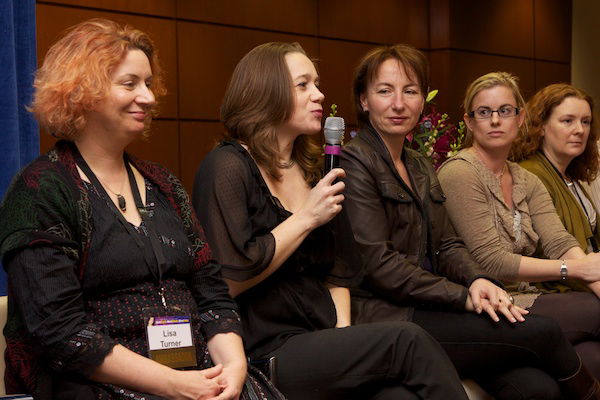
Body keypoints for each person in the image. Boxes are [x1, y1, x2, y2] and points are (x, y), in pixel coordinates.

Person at [0, 19, 284, 400]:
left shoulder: (163, 184)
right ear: (83, 91)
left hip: (199, 377)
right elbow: (61, 332)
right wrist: (174, 385)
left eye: (149, 84)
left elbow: (212, 293)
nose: (149, 98)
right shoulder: (41, 190)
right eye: (130, 83)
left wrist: (233, 370)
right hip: (96, 385)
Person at [193, 41, 471, 400]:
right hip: (265, 351)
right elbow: (229, 281)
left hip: (322, 340)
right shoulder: (227, 166)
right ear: (267, 91)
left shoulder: (314, 169)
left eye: (317, 83)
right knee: (407, 338)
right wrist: (306, 217)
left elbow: (339, 271)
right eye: (303, 85)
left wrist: (342, 339)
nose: (319, 95)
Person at [340, 45, 600, 399]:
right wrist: (463, 295)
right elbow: (379, 265)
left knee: (537, 388)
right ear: (364, 100)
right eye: (385, 91)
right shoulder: (354, 163)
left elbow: (447, 244)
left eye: (410, 91)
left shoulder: (417, 164)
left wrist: (477, 279)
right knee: (545, 332)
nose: (399, 103)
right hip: (389, 314)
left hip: (431, 302)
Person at [437, 72, 600, 382]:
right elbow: (491, 261)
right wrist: (575, 270)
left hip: (527, 299)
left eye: (505, 111)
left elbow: (558, 241)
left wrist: (594, 274)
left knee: (593, 355)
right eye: (484, 112)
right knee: (594, 312)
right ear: (470, 122)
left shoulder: (527, 179)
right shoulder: (460, 172)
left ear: (520, 117)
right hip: (484, 304)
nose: (496, 120)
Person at [512, 83, 600, 254]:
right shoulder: (530, 174)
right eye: (568, 121)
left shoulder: (570, 173)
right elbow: (544, 252)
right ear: (541, 125)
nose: (580, 130)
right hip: (562, 277)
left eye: (585, 122)